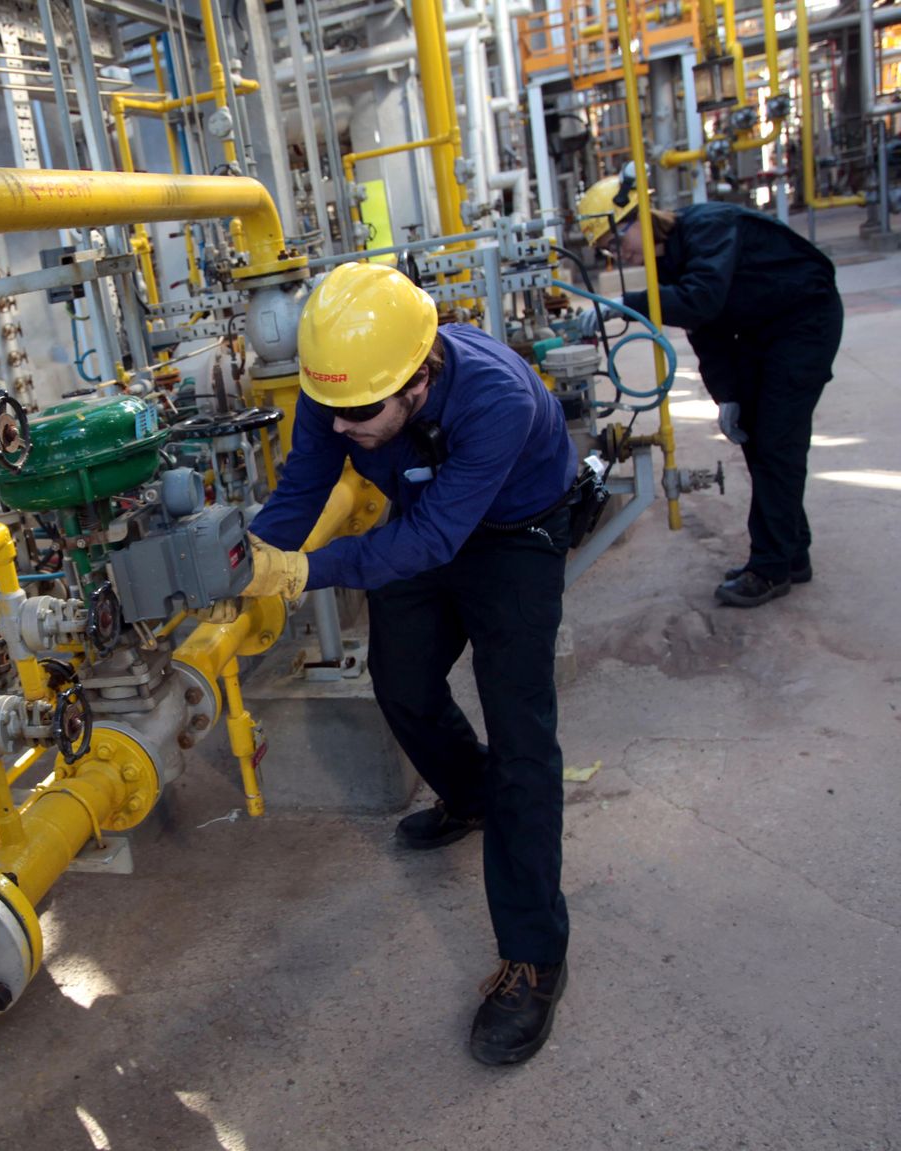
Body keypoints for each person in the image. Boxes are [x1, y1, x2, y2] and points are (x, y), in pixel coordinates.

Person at [241, 262, 579, 1066]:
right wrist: (248, 559)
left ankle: (535, 958)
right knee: (402, 683)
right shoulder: (343, 385)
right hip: (427, 517)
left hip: (516, 535)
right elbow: (304, 485)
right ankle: (470, 795)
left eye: (360, 414)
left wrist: (304, 571)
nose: (340, 425)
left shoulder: (496, 398)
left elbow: (430, 541)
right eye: (329, 407)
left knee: (522, 737)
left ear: (420, 379)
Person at [576, 176, 843, 607]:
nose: (617, 254)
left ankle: (769, 569)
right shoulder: (667, 261)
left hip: (804, 320)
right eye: (607, 250)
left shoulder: (708, 227)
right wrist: (728, 395)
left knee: (778, 442)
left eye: (615, 241)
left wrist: (629, 302)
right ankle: (792, 553)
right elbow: (706, 330)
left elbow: (702, 300)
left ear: (638, 217)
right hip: (760, 330)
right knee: (759, 438)